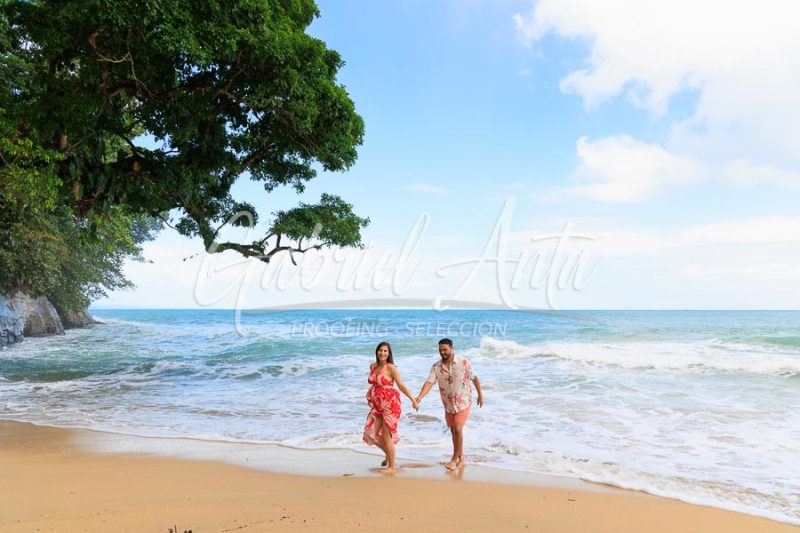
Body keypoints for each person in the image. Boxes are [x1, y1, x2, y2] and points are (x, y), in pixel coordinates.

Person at [415, 338, 484, 470]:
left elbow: (474, 378)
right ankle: (461, 458)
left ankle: (453, 460)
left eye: (445, 349)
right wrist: (420, 397)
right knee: (454, 431)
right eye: (440, 350)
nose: (443, 352)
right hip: (448, 405)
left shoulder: (463, 361)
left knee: (457, 428)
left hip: (464, 402)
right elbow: (429, 382)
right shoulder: (436, 367)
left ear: (452, 348)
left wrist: (480, 394)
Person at [363, 341, 418, 473]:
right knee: (371, 433)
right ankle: (389, 455)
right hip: (377, 406)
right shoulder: (373, 366)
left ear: (389, 354)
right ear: (376, 352)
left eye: (385, 351)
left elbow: (401, 385)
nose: (382, 353)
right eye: (380, 350)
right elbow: (375, 385)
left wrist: (413, 399)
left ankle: (391, 466)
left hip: (391, 405)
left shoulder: (391, 368)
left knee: (387, 436)